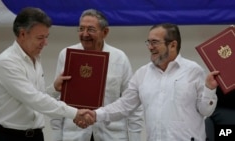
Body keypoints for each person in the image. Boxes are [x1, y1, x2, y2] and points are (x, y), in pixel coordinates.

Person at [75, 23, 220, 141]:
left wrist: (209, 89)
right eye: (148, 42)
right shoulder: (142, 74)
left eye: (155, 42)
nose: (150, 47)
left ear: (173, 45)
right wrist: (96, 114)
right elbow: (124, 105)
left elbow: (205, 110)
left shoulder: (194, 71)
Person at [0, 7, 92, 141]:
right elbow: (34, 99)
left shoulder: (35, 58)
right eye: (40, 38)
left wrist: (53, 89)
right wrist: (75, 113)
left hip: (35, 135)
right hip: (6, 136)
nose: (45, 43)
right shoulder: (7, 62)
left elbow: (34, 100)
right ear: (22, 34)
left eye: (46, 37)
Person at [50, 9, 144, 141]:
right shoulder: (66, 55)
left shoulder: (119, 58)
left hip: (112, 135)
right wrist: (56, 136)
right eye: (81, 29)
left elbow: (132, 102)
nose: (85, 34)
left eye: (91, 29)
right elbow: (58, 100)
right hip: (74, 134)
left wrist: (135, 137)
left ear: (105, 32)